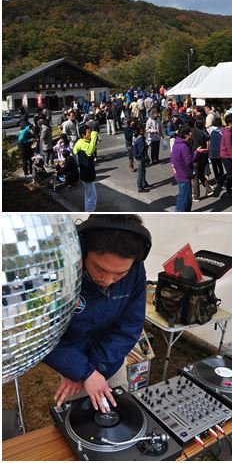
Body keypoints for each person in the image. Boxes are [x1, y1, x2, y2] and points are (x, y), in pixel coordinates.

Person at [43, 215, 151, 413]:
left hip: (111, 360)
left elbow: (129, 326)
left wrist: (95, 370)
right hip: (71, 356)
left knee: (117, 410)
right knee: (78, 417)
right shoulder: (57, 269)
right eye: (99, 269)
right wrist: (81, 371)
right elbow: (43, 333)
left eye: (120, 274)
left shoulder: (136, 270)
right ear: (82, 250)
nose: (108, 280)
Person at [171, 126, 203, 212]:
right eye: (190, 133)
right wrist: (197, 152)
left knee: (182, 197)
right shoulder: (183, 146)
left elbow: (173, 159)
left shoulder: (176, 144)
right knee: (185, 200)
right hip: (184, 176)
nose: (191, 134)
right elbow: (189, 160)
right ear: (185, 135)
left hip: (179, 174)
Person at [73, 124, 99, 212]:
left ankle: (87, 210)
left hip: (85, 174)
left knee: (88, 195)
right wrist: (95, 136)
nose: (91, 134)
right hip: (88, 175)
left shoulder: (80, 142)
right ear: (83, 135)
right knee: (92, 196)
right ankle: (90, 212)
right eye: (89, 133)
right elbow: (90, 150)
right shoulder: (84, 145)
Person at [132, 125, 149, 193]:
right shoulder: (141, 139)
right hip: (140, 158)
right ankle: (140, 187)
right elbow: (142, 150)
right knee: (140, 172)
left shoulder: (137, 137)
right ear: (140, 131)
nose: (144, 130)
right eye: (143, 129)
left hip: (137, 157)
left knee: (143, 171)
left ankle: (144, 183)